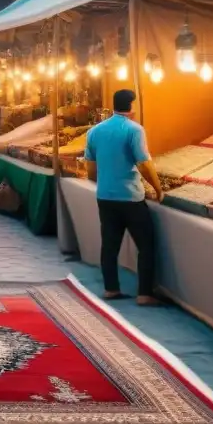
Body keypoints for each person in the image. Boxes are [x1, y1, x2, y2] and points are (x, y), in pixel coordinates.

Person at [83, 89, 163, 306]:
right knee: (145, 244)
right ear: (132, 107)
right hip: (130, 197)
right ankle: (144, 293)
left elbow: (90, 167)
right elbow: (144, 163)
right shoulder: (134, 130)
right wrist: (158, 189)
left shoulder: (95, 131)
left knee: (109, 244)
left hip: (105, 196)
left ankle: (111, 289)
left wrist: (105, 182)